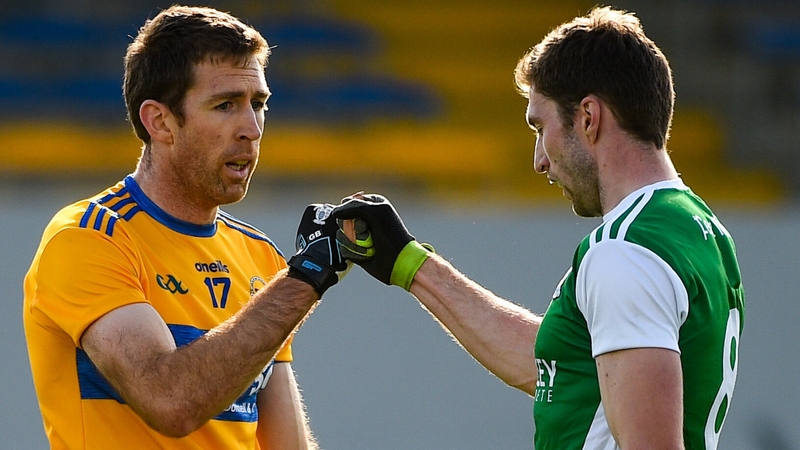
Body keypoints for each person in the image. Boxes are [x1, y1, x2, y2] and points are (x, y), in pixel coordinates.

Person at [332, 6, 745, 449]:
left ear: (588, 118)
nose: (539, 160)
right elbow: (559, 366)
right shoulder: (697, 228)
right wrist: (410, 263)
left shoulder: (625, 250)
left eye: (540, 127)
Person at [23, 5, 349, 449]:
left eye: (258, 104)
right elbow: (170, 401)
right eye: (225, 105)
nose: (251, 129)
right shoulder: (88, 238)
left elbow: (286, 443)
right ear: (159, 122)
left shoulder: (259, 255)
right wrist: (308, 276)